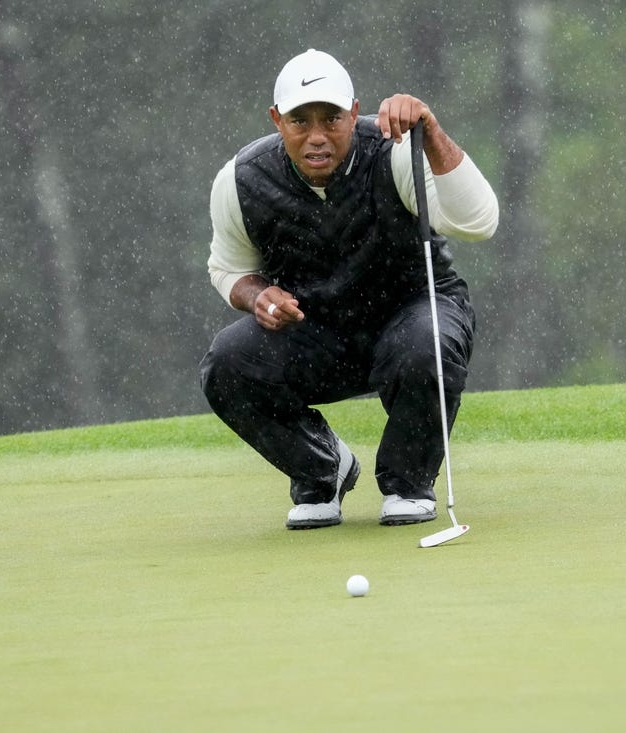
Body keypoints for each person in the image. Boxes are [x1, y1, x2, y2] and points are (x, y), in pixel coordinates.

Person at [199, 49, 499, 530]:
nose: (317, 136)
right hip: (316, 335)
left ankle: (407, 484)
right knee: (227, 363)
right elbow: (228, 269)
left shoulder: (397, 149)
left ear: (354, 113)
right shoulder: (240, 180)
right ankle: (322, 471)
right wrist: (258, 297)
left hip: (413, 316)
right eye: (300, 120)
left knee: (427, 343)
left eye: (331, 119)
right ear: (277, 120)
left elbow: (479, 222)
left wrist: (432, 132)